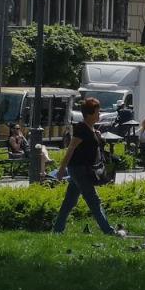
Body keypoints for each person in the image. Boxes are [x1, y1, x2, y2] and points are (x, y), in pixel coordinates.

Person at [52, 97, 124, 237]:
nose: (99, 114)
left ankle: (57, 230)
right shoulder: (81, 129)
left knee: (69, 202)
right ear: (89, 114)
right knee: (93, 200)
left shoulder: (92, 129)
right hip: (79, 169)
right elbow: (71, 149)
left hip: (84, 169)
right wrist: (61, 169)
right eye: (97, 112)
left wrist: (97, 136)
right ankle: (108, 231)